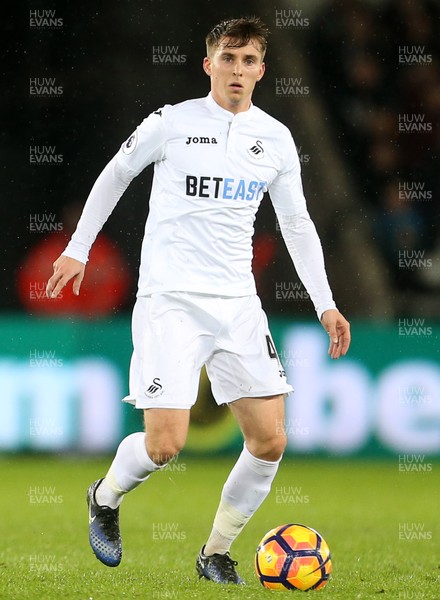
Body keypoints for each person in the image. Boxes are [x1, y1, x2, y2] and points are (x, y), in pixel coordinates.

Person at [45, 16, 351, 585]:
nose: (238, 71)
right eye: (228, 59)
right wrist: (78, 248)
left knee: (270, 439)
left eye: (250, 60)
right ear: (207, 64)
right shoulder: (172, 123)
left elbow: (297, 222)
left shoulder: (276, 138)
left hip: (237, 304)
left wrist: (324, 303)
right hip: (171, 301)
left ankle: (215, 554)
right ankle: (105, 497)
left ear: (262, 68)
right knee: (165, 446)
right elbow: (115, 174)